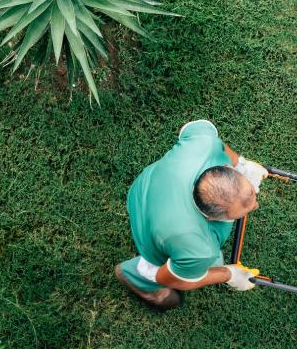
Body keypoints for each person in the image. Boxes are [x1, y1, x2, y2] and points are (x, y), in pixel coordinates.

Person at [114, 120, 268, 310]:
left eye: (251, 194)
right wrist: (229, 274)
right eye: (244, 210)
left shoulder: (205, 143)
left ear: (228, 168)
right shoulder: (197, 247)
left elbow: (192, 130)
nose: (256, 205)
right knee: (213, 261)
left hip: (144, 191)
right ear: (211, 218)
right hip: (151, 235)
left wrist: (242, 165)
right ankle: (139, 273)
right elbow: (176, 280)